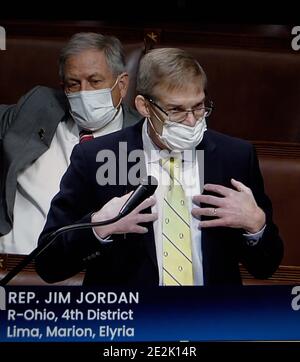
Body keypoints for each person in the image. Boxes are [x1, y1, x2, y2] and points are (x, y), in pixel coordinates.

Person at [35, 48, 283, 286]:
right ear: (144, 106)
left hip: (212, 319)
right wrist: (100, 226)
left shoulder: (235, 157)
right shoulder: (96, 158)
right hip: (131, 321)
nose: (191, 121)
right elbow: (48, 265)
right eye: (176, 110)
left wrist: (256, 225)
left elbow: (266, 267)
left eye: (198, 107)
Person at [0, 32, 141, 255]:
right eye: (74, 84)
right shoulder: (38, 106)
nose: (84, 93)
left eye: (95, 81)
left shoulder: (142, 137)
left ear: (122, 85)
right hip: (11, 263)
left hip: (91, 270)